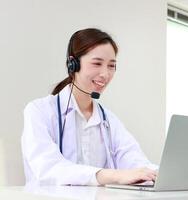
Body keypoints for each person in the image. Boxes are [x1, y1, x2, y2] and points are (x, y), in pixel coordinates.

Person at [21, 28, 157, 186]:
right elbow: (48, 168)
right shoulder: (39, 111)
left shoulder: (108, 120)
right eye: (97, 63)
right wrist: (111, 175)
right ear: (73, 64)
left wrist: (158, 174)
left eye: (111, 66)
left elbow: (134, 160)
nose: (105, 74)